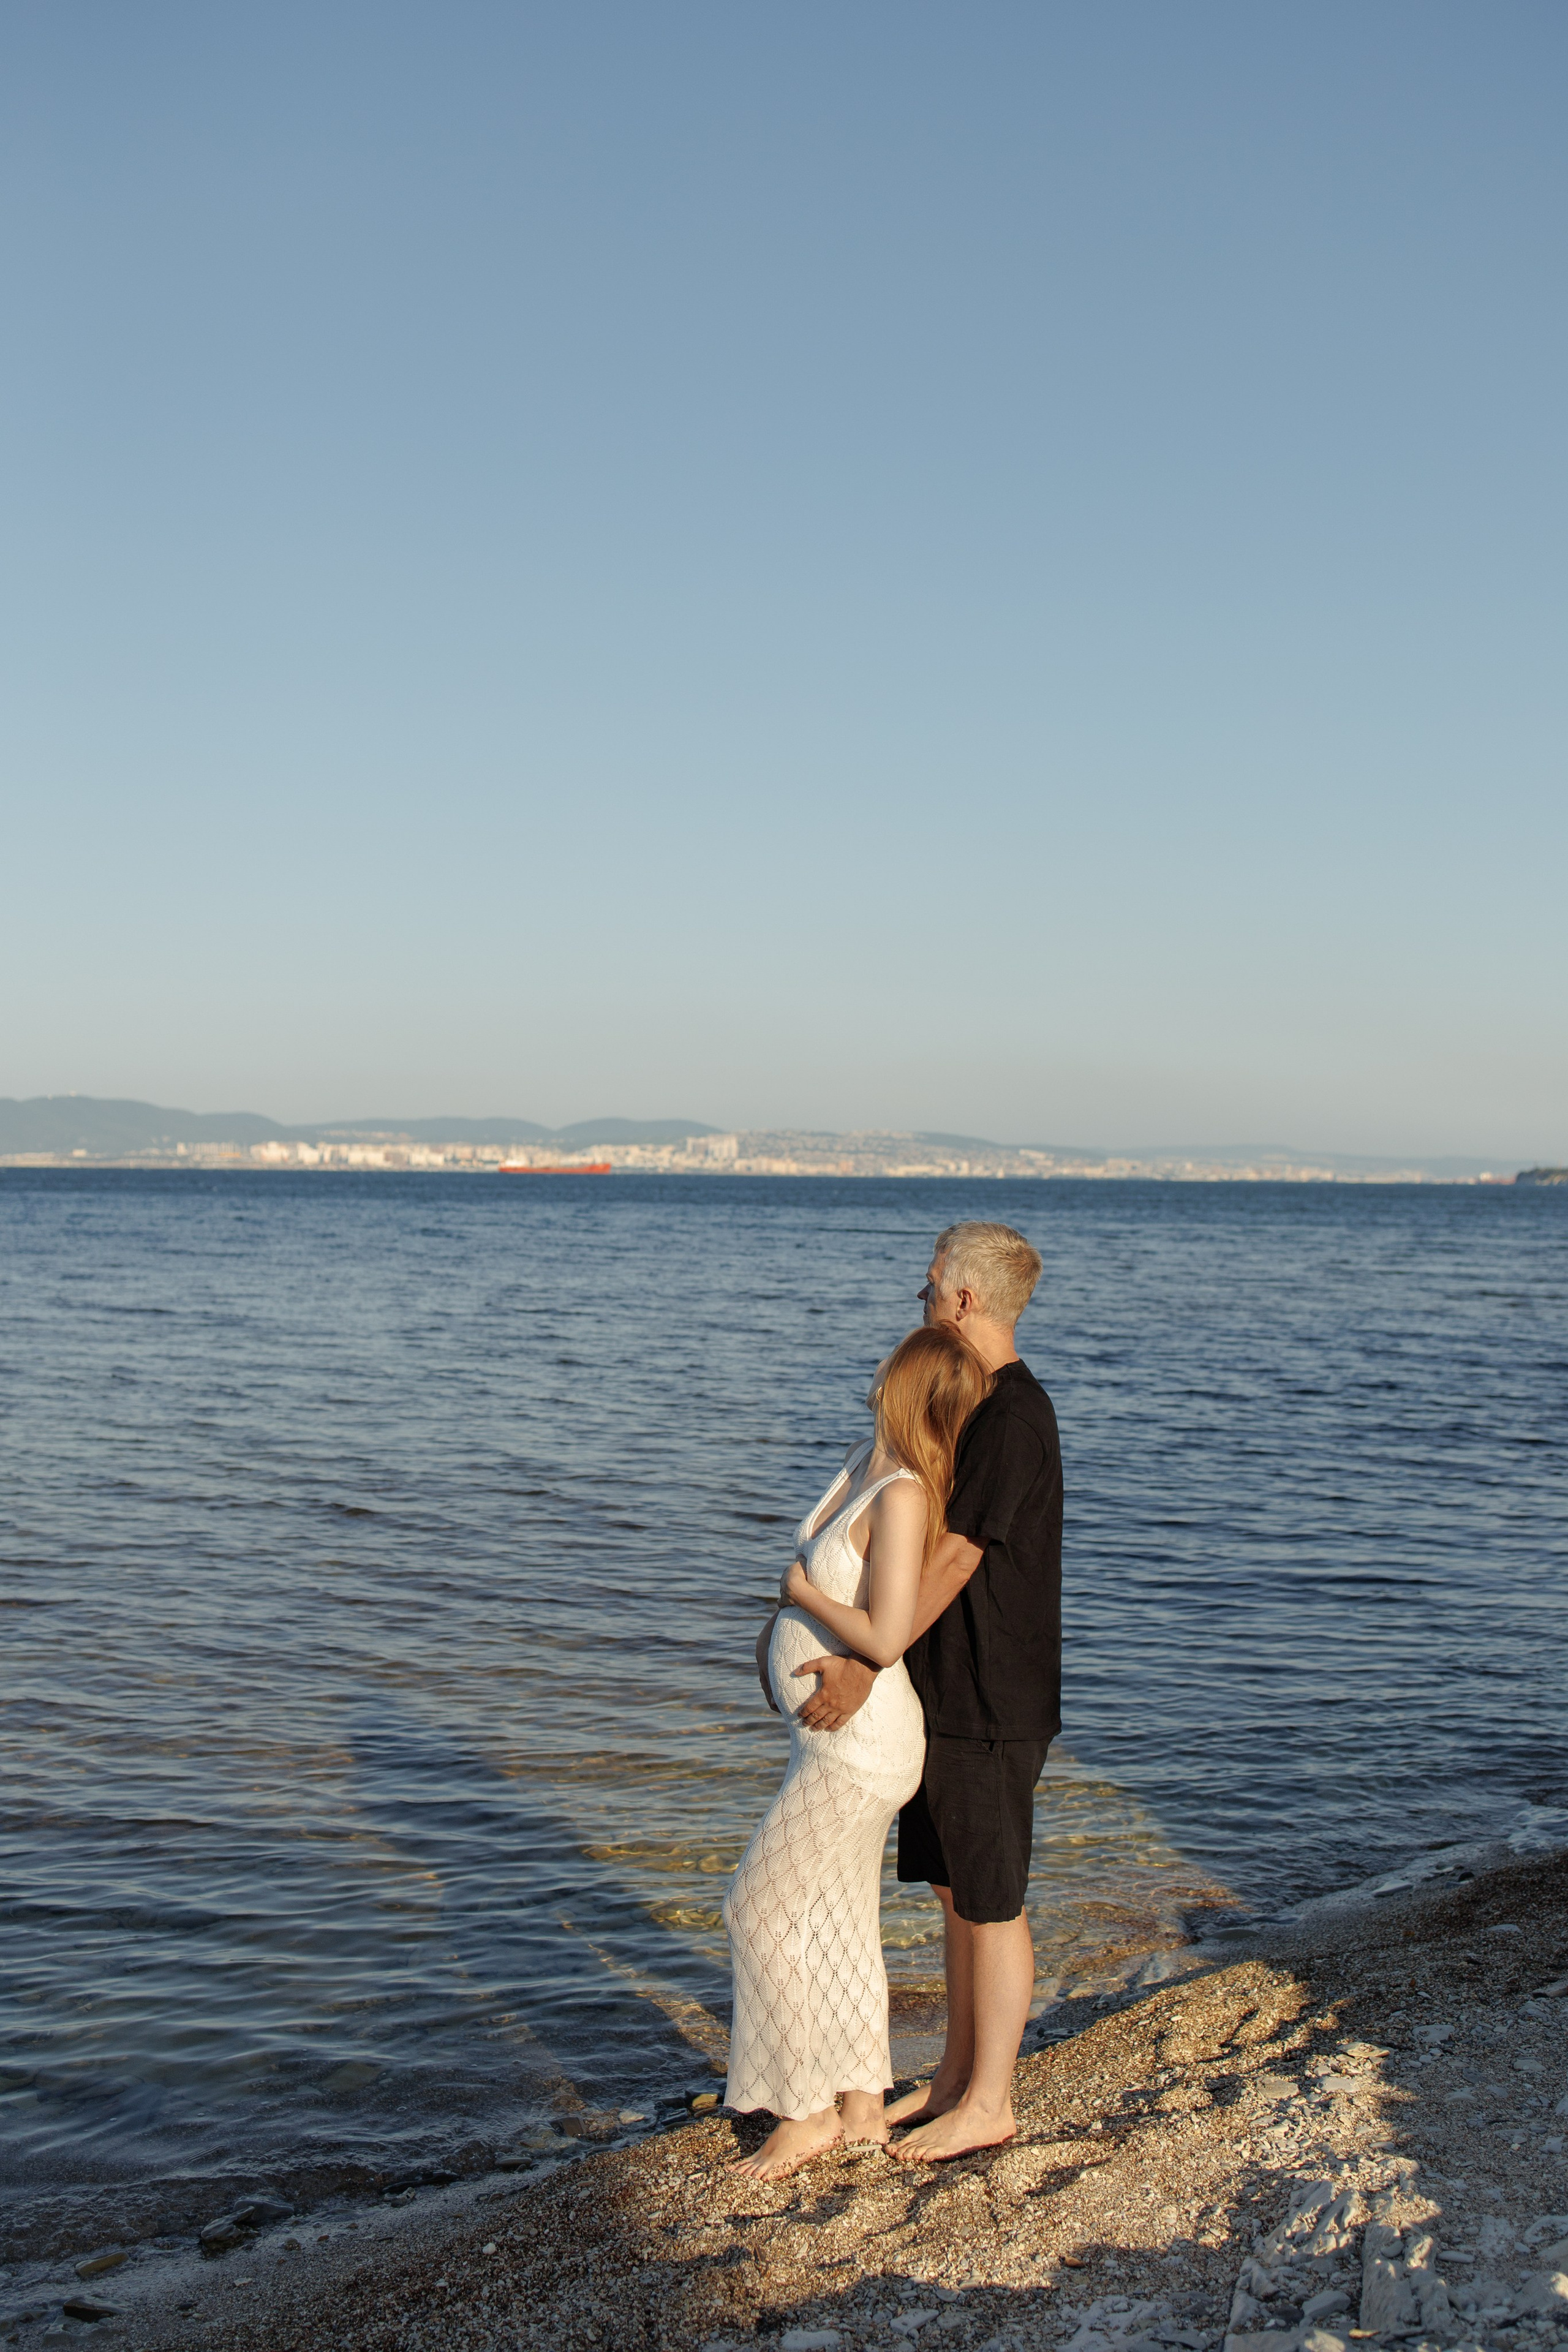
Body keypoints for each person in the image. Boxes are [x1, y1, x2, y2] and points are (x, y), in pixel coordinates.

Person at [794, 1220, 1059, 2163]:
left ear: (965, 1299)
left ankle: (992, 2100)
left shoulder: (1014, 1417)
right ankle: (952, 2080)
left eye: (929, 1283)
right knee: (955, 1892)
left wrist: (867, 1660)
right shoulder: (974, 1406)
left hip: (996, 1702)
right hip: (950, 1695)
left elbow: (952, 1556)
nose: (919, 1295)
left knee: (993, 1900)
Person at [723, 1322, 992, 2181]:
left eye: (893, 1358)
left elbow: (882, 1632)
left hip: (862, 1750)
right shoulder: (864, 1458)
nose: (878, 1362)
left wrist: (799, 1593)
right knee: (835, 1921)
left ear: (911, 1383)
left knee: (756, 1909)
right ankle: (864, 2105)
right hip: (824, 1745)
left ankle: (803, 2112)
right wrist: (780, 1628)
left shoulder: (906, 1495)